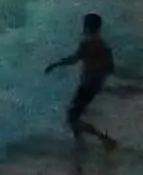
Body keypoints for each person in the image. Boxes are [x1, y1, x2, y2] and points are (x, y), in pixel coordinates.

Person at [44, 11, 118, 146]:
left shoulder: (87, 44)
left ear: (87, 27)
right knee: (74, 117)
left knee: (71, 118)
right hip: (95, 86)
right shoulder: (104, 46)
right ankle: (80, 143)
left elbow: (73, 59)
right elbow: (111, 68)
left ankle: (104, 139)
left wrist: (55, 65)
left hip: (86, 86)